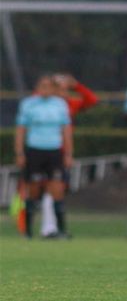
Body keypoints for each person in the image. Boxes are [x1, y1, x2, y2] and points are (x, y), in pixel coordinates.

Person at [37, 73, 100, 237]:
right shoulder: (40, 103)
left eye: (66, 89)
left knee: (57, 188)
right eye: (59, 88)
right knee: (45, 188)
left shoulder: (68, 104)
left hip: (61, 152)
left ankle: (52, 228)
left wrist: (76, 85)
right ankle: (46, 228)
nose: (63, 92)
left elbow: (92, 100)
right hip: (43, 149)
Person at [14, 75, 74, 239]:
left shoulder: (60, 105)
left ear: (54, 89)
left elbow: (66, 131)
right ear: (38, 88)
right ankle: (27, 231)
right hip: (34, 151)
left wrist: (68, 153)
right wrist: (19, 153)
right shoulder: (29, 104)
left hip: (54, 152)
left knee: (58, 190)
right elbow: (20, 130)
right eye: (43, 86)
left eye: (49, 86)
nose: (46, 89)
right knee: (33, 192)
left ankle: (61, 230)